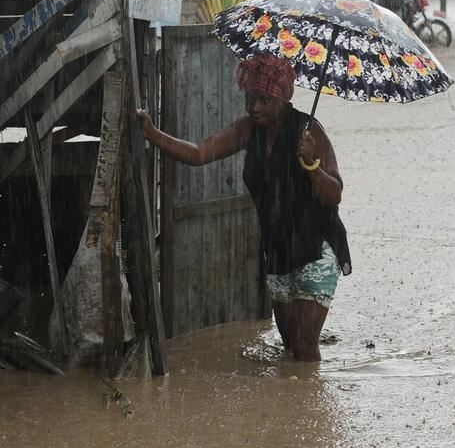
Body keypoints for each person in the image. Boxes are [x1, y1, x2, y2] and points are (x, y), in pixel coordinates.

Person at [136, 56, 350, 362]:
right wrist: (152, 133)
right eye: (250, 99)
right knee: (289, 345)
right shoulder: (248, 130)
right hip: (279, 248)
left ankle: (310, 404)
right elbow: (199, 154)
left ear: (282, 97)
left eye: (263, 100)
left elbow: (335, 195)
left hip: (317, 245)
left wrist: (312, 165)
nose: (255, 108)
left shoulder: (309, 130)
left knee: (304, 345)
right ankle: (291, 404)